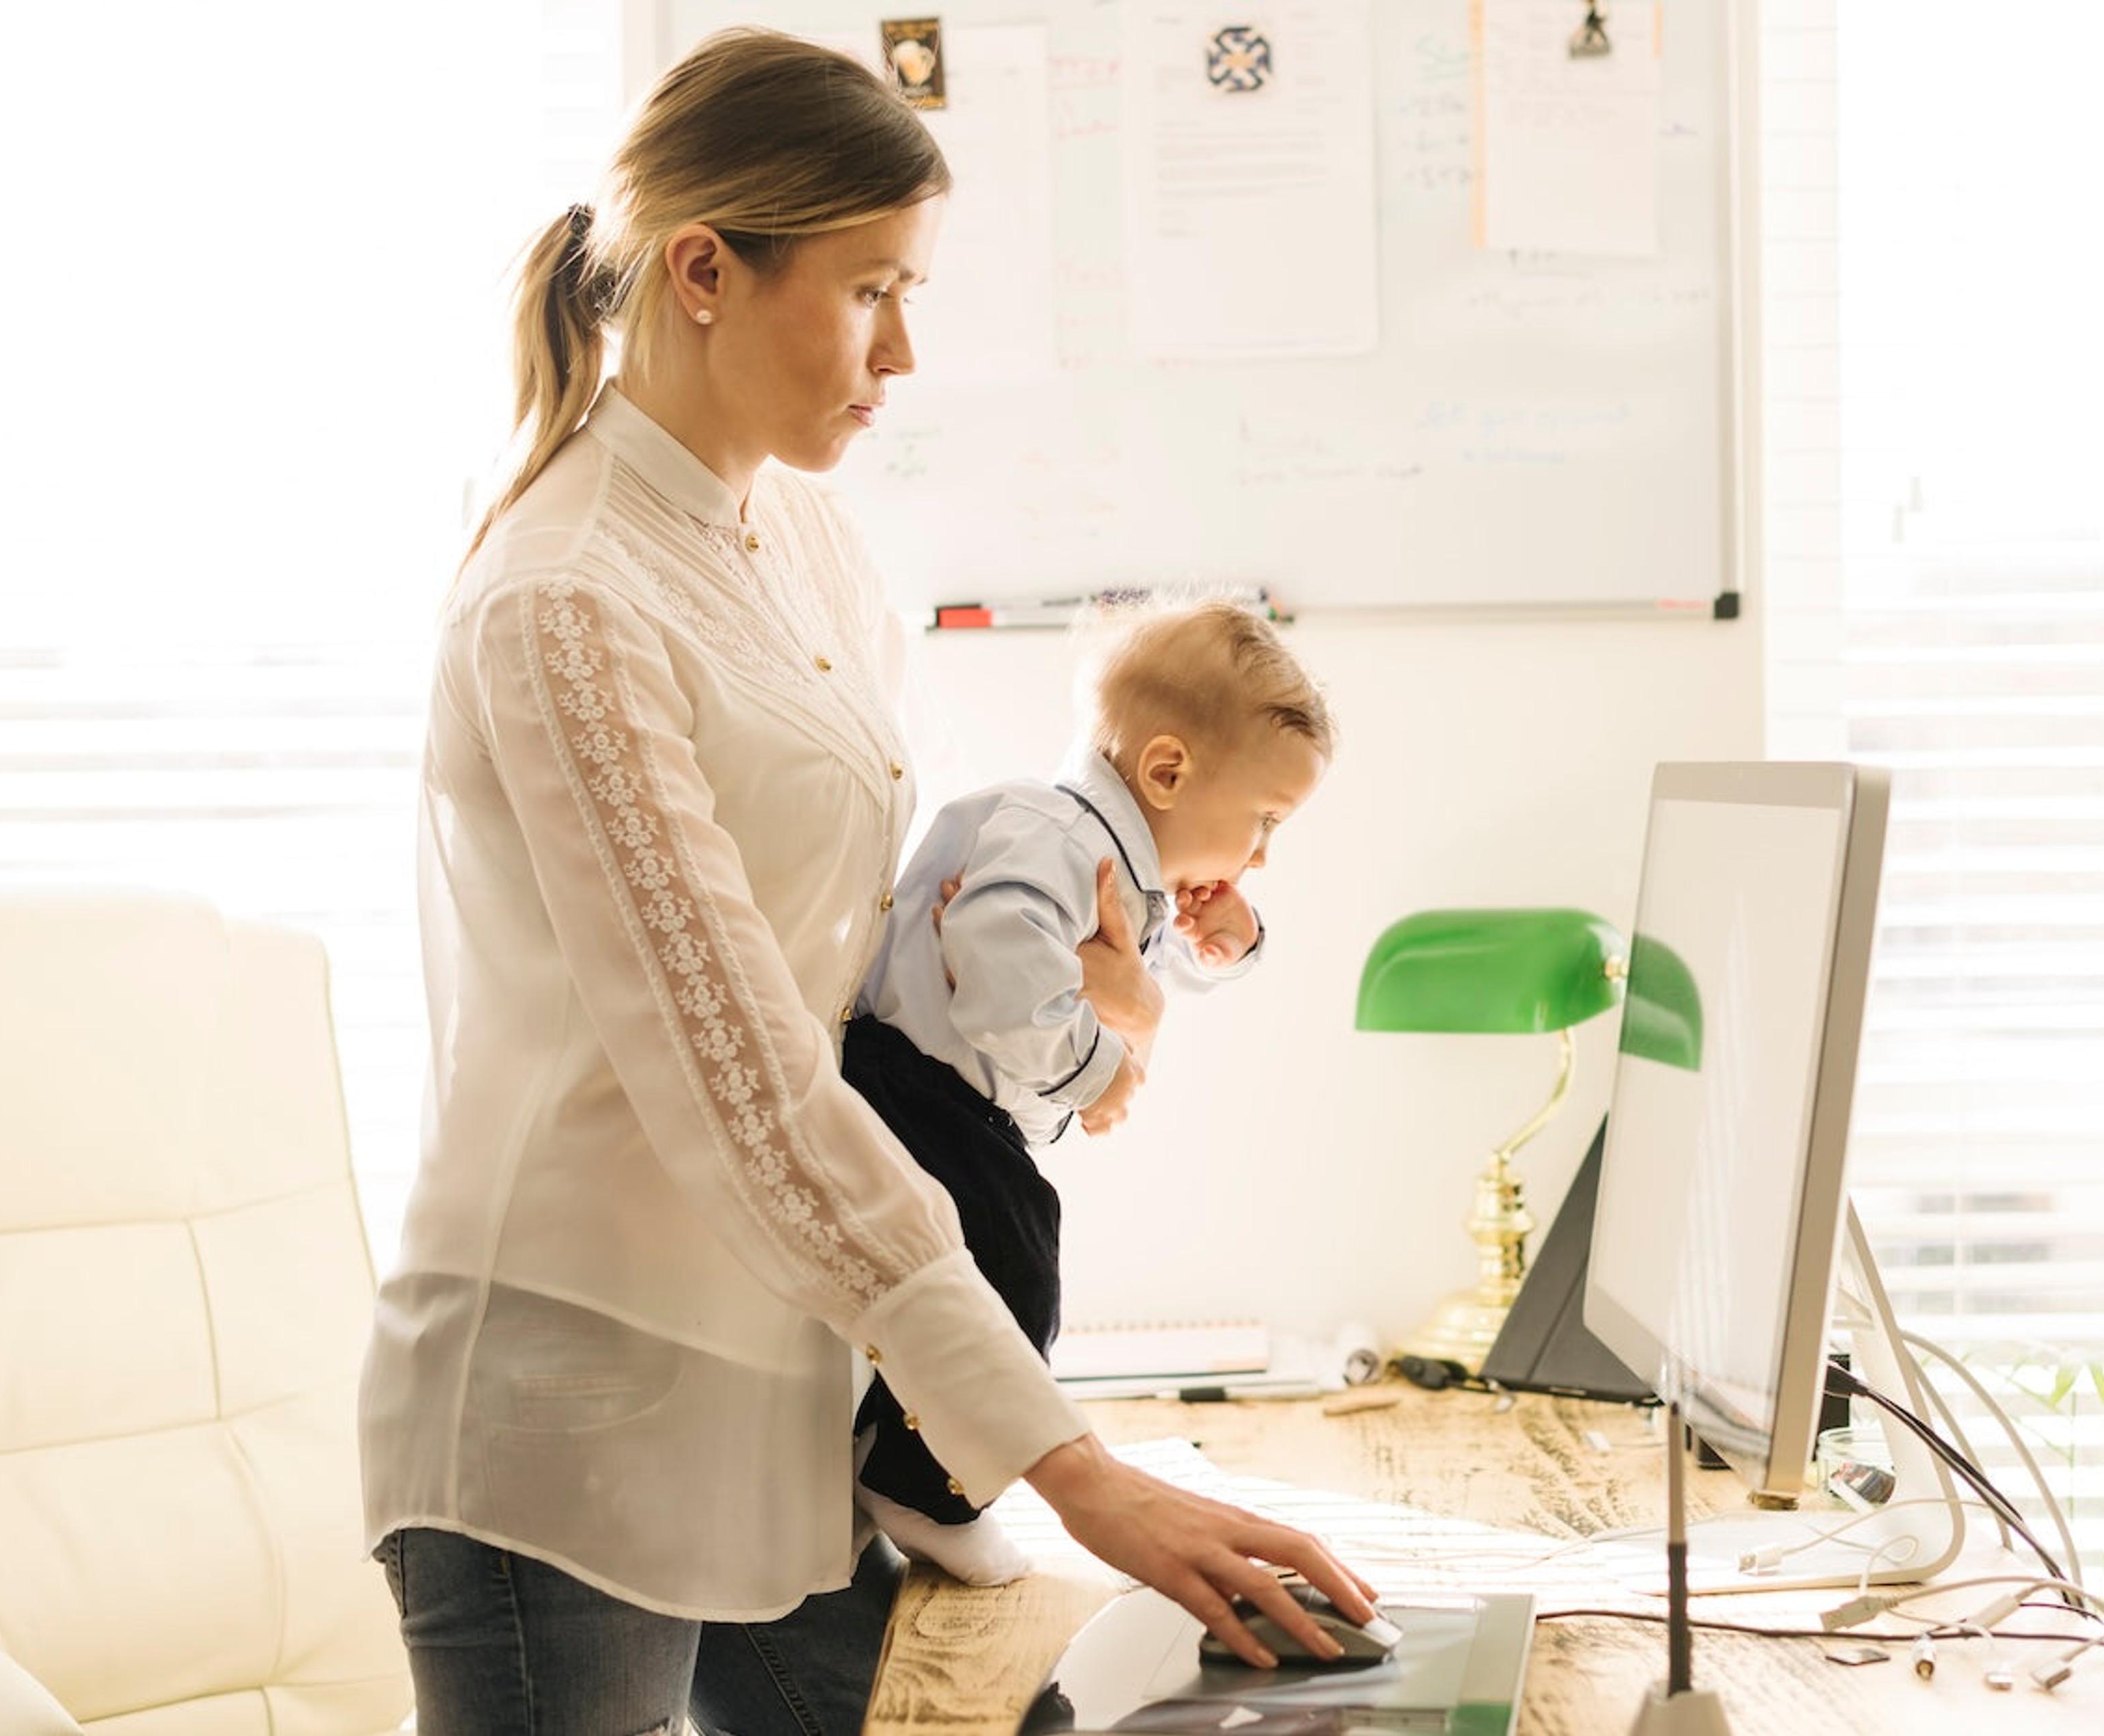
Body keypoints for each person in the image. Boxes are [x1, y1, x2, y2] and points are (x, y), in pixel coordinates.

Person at [355, 25, 1374, 1736]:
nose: (904, 350)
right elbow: (744, 1080)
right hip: (568, 1417)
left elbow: (860, 944)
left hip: (774, 1383)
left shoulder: (803, 540)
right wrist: (1070, 1465)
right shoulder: (567, 601)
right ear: (703, 273)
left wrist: (1105, 953)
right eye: (872, 292)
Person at [845, 601, 1334, 1586]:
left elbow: (1122, 974)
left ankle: (903, 1455)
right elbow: (1002, 970)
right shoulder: (1054, 834)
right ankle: (924, 1489)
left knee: (988, 1273)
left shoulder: (1108, 858)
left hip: (955, 1101)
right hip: (915, 1088)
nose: (1261, 856)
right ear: (1167, 772)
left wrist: (1223, 944)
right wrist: (1099, 1075)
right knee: (1013, 1280)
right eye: (1264, 822)